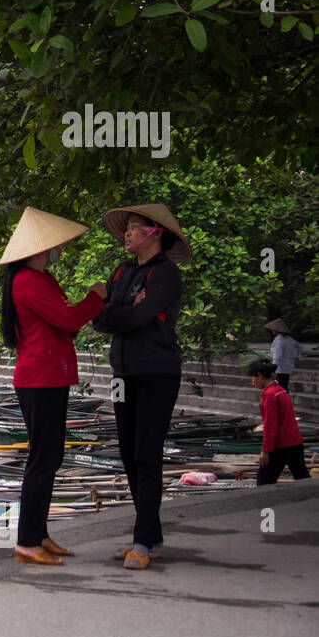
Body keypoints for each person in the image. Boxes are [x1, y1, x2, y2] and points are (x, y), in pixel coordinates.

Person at [0, 207, 106, 566]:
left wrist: (81, 311)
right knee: (42, 460)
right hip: (40, 379)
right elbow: (70, 317)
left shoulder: (38, 279)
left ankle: (39, 533)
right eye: (53, 245)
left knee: (50, 457)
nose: (57, 250)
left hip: (49, 375)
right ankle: (27, 541)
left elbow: (65, 325)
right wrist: (96, 296)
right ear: (41, 247)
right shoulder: (29, 282)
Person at [92, 204, 191, 570]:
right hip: (122, 374)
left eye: (135, 228)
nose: (127, 233)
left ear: (154, 233)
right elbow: (99, 318)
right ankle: (152, 536)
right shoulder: (123, 270)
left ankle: (142, 542)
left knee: (147, 456)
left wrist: (115, 310)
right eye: (127, 228)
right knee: (129, 455)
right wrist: (116, 310)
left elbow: (136, 316)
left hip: (157, 373)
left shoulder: (165, 274)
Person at [248, 358, 309, 486]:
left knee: (264, 481)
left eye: (252, 378)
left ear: (259, 376)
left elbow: (270, 425)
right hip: (295, 442)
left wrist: (265, 450)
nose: (252, 383)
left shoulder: (270, 395)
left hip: (281, 445)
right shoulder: (280, 390)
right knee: (303, 479)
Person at [264, 319, 301, 392]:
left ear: (275, 330)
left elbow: (278, 355)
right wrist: (296, 356)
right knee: (283, 385)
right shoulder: (289, 339)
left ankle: (283, 402)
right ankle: (284, 401)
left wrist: (274, 365)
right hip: (288, 366)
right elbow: (299, 347)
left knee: (281, 387)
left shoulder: (279, 340)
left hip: (281, 367)